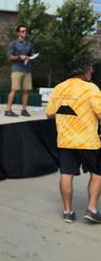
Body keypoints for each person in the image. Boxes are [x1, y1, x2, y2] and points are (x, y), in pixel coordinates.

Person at [46, 56, 101, 224]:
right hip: (88, 141)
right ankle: (91, 209)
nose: (92, 71)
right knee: (98, 174)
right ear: (84, 70)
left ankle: (67, 212)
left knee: (66, 173)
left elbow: (49, 114)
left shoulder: (58, 88)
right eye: (90, 68)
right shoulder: (91, 89)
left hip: (65, 140)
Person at [4, 25, 35, 117]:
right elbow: (9, 57)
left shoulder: (29, 44)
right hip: (17, 69)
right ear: (18, 33)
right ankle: (8, 110)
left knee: (26, 91)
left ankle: (24, 110)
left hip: (27, 69)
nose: (24, 32)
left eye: (25, 31)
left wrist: (31, 56)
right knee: (14, 89)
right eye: (22, 31)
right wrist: (19, 57)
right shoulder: (13, 44)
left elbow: (31, 54)